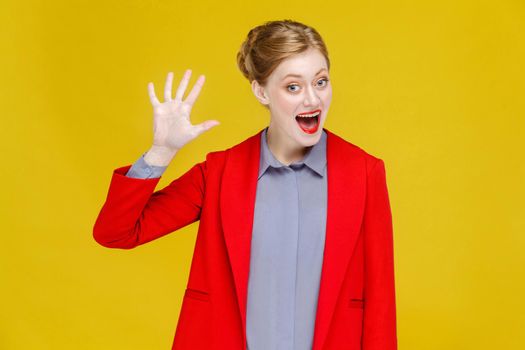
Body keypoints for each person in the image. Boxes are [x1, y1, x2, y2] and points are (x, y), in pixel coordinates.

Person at [93, 19, 398, 350]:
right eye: (293, 87)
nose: (312, 99)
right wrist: (161, 151)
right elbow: (116, 232)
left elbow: (380, 298)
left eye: (321, 82)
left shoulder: (364, 173)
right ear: (261, 91)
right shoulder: (221, 172)